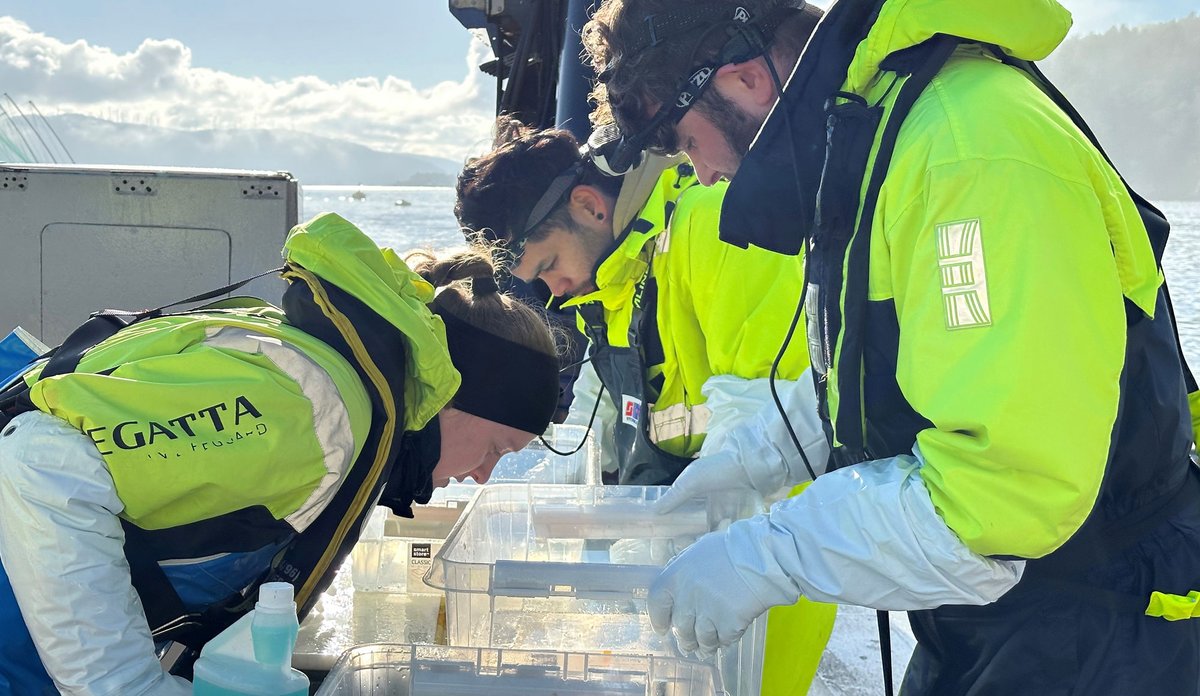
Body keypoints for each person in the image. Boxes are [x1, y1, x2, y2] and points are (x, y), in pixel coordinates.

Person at [584, 0, 1200, 693]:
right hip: (1003, 618)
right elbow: (889, 365)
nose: (699, 175)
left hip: (1105, 628)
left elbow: (1004, 492)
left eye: (686, 143)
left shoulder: (967, 151)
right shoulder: (884, 137)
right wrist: (759, 454)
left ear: (744, 79)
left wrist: (773, 554)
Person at [0, 212, 560, 695]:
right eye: (497, 447)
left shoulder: (344, 405)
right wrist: (130, 686)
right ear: (452, 399)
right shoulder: (314, 413)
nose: (483, 475)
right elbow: (40, 460)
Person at [455, 116, 834, 695]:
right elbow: (598, 408)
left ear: (588, 206)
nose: (554, 290)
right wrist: (540, 502)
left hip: (763, 548)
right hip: (683, 539)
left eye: (548, 265)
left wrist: (675, 553)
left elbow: (764, 411)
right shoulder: (613, 278)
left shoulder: (716, 219)